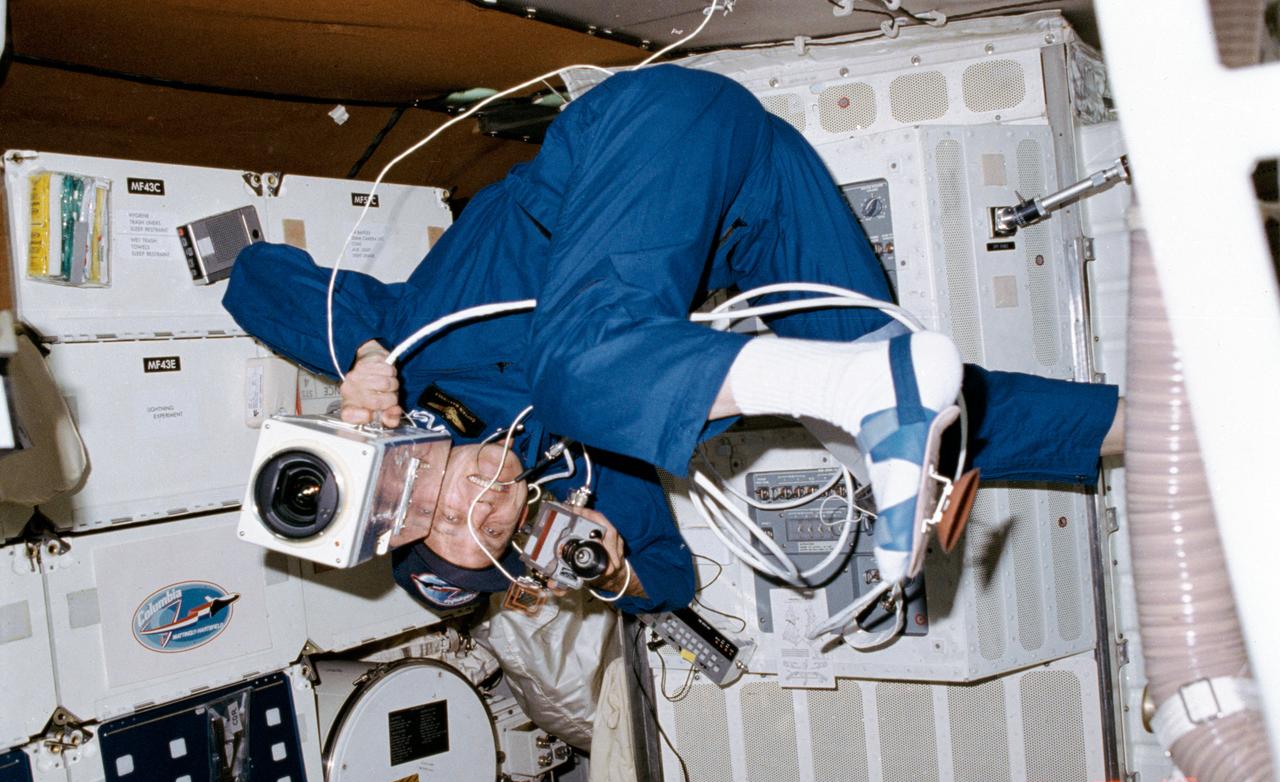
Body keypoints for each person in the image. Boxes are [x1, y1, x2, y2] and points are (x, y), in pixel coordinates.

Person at [225, 64, 1119, 616]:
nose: (482, 511)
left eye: (447, 515)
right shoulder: (573, 467)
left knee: (572, 370)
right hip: (758, 193)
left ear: (414, 480)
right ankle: (1165, 428)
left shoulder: (407, 349)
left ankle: (867, 396)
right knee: (933, 425)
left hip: (644, 134)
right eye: (494, 537)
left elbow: (249, 279)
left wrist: (357, 372)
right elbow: (671, 581)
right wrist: (608, 568)